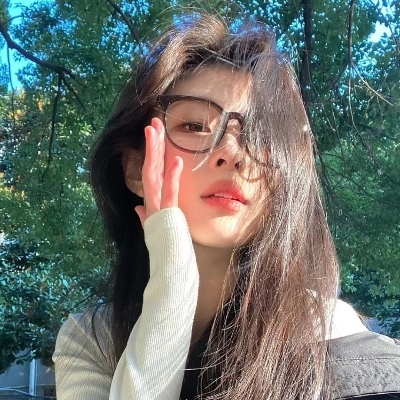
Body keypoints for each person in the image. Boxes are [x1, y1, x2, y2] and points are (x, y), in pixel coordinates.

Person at [52, 13, 400, 400]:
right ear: (135, 168)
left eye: (262, 137)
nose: (234, 154)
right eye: (195, 126)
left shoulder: (328, 331)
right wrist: (173, 280)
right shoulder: (92, 339)